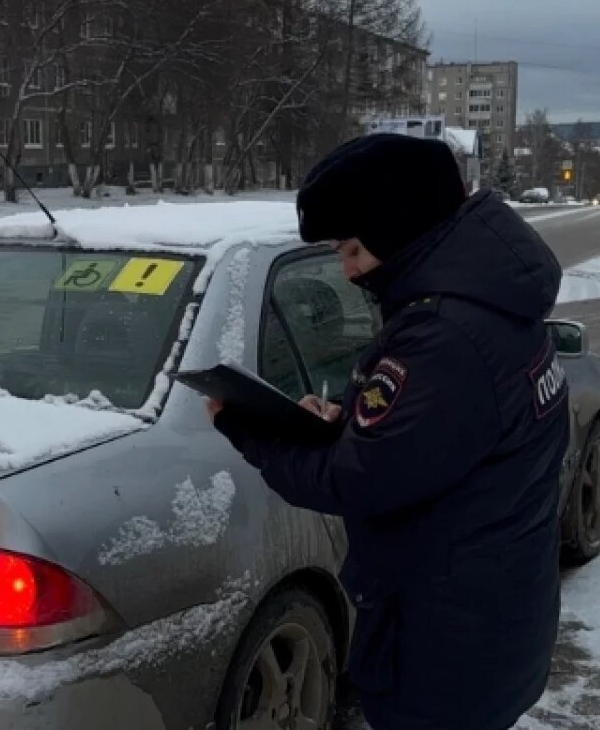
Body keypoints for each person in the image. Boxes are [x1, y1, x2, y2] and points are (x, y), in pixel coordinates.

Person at [207, 134, 568, 730]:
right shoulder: (493, 310)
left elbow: (359, 480)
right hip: (492, 620)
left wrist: (246, 426)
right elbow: (440, 450)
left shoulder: (444, 339)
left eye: (351, 251)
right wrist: (343, 427)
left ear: (397, 229)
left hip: (441, 647)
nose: (346, 273)